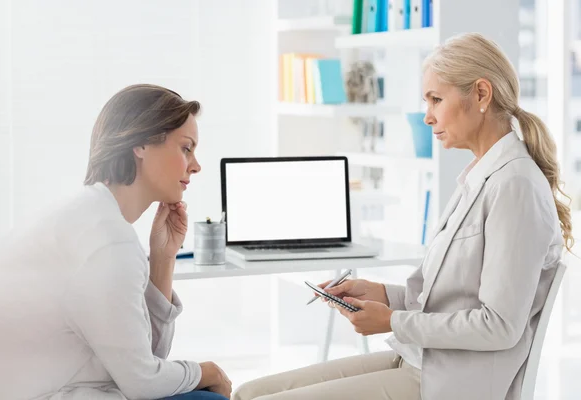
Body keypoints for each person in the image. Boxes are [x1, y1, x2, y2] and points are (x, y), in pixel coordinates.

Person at [232, 33, 574, 400]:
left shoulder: (515, 186)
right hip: (418, 360)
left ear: (481, 94)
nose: (427, 116)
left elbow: (500, 326)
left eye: (436, 100)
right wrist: (381, 294)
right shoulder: (479, 177)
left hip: (448, 383)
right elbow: (447, 299)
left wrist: (391, 321)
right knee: (249, 392)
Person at [0, 84, 232, 400]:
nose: (195, 166)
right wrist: (207, 371)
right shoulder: (108, 243)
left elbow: (143, 359)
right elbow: (143, 381)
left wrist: (163, 258)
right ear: (140, 143)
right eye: (186, 148)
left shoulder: (88, 216)